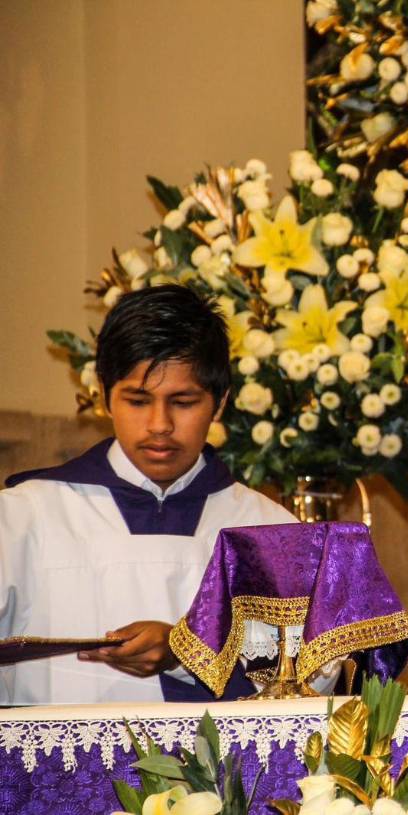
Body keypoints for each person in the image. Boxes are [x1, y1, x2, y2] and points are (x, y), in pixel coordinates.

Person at [0, 285, 297, 704]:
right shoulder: (22, 517)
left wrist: (183, 653)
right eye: (138, 400)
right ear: (103, 397)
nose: (159, 424)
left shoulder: (271, 531)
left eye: (183, 401)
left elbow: (309, 684)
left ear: (219, 403)